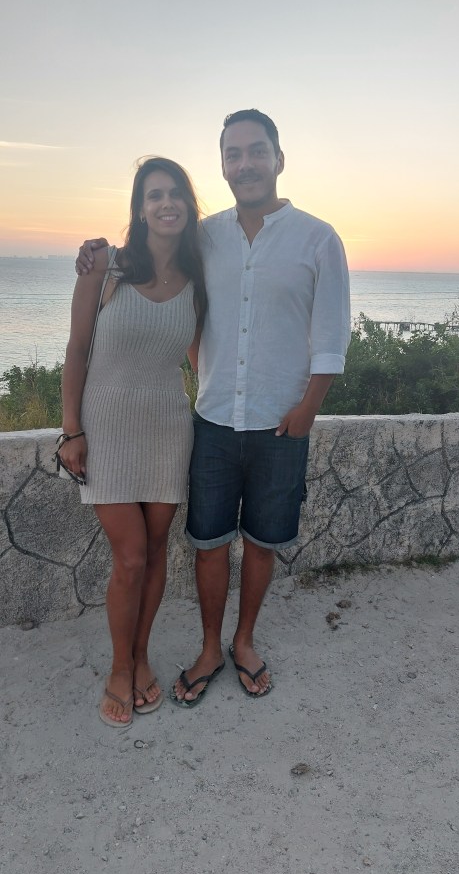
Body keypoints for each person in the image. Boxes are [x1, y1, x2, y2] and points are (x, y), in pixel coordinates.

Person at [76, 109, 350, 706]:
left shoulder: (318, 238)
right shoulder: (205, 237)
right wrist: (96, 250)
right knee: (208, 541)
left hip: (282, 422)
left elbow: (332, 335)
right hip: (213, 419)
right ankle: (208, 648)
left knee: (262, 542)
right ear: (223, 166)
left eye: (257, 151)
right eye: (233, 154)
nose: (245, 164)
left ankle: (243, 642)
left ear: (279, 159)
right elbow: (165, 277)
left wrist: (308, 408)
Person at [61, 157, 207, 727]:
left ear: (188, 206)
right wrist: (71, 430)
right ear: (140, 209)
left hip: (168, 426)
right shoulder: (105, 265)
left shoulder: (198, 279)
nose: (166, 203)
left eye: (175, 194)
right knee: (131, 556)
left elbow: (199, 358)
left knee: (156, 551)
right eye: (154, 195)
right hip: (107, 428)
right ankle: (120, 668)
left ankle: (142, 655)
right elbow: (77, 350)